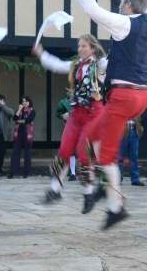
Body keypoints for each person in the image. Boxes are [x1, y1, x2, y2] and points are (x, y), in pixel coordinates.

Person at [67, 0, 147, 229]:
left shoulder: (125, 23)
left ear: (129, 5)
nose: (120, 6)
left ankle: (116, 206)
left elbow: (93, 9)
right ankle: (104, 187)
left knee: (105, 154)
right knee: (89, 139)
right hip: (140, 96)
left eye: (123, 2)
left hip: (123, 97)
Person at [33, 35, 107, 212]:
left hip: (93, 115)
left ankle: (89, 194)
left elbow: (120, 58)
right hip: (76, 115)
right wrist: (41, 53)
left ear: (93, 48)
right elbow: (56, 65)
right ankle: (55, 190)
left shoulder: (101, 64)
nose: (80, 49)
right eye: (79, 46)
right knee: (64, 150)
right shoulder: (74, 65)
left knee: (83, 153)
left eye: (84, 46)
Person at [8, 96, 35, 179]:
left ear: (29, 103)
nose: (24, 103)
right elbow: (14, 118)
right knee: (15, 153)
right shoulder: (19, 111)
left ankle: (26, 173)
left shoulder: (32, 111)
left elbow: (29, 120)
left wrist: (19, 121)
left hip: (27, 134)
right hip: (18, 134)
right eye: (23, 101)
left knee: (27, 154)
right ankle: (12, 172)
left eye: (26, 101)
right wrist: (19, 110)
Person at [117, 116, 145, 186]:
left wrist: (140, 129)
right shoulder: (120, 108)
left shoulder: (136, 108)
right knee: (120, 156)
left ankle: (135, 179)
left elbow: (140, 120)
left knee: (134, 157)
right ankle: (117, 178)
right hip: (123, 132)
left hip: (134, 131)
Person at [55, 94, 77, 181]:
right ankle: (72, 173)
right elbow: (58, 113)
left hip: (82, 127)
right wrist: (63, 115)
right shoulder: (63, 102)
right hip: (69, 128)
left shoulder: (82, 99)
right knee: (70, 151)